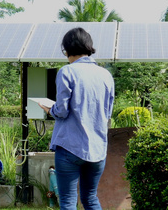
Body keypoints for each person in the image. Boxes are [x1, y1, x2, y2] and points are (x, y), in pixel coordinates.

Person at [39, 27, 114, 210]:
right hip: (97, 149)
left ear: (67, 50)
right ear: (89, 47)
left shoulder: (67, 72)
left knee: (68, 201)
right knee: (90, 198)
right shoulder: (106, 75)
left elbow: (62, 110)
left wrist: (50, 110)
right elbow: (108, 113)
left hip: (69, 148)